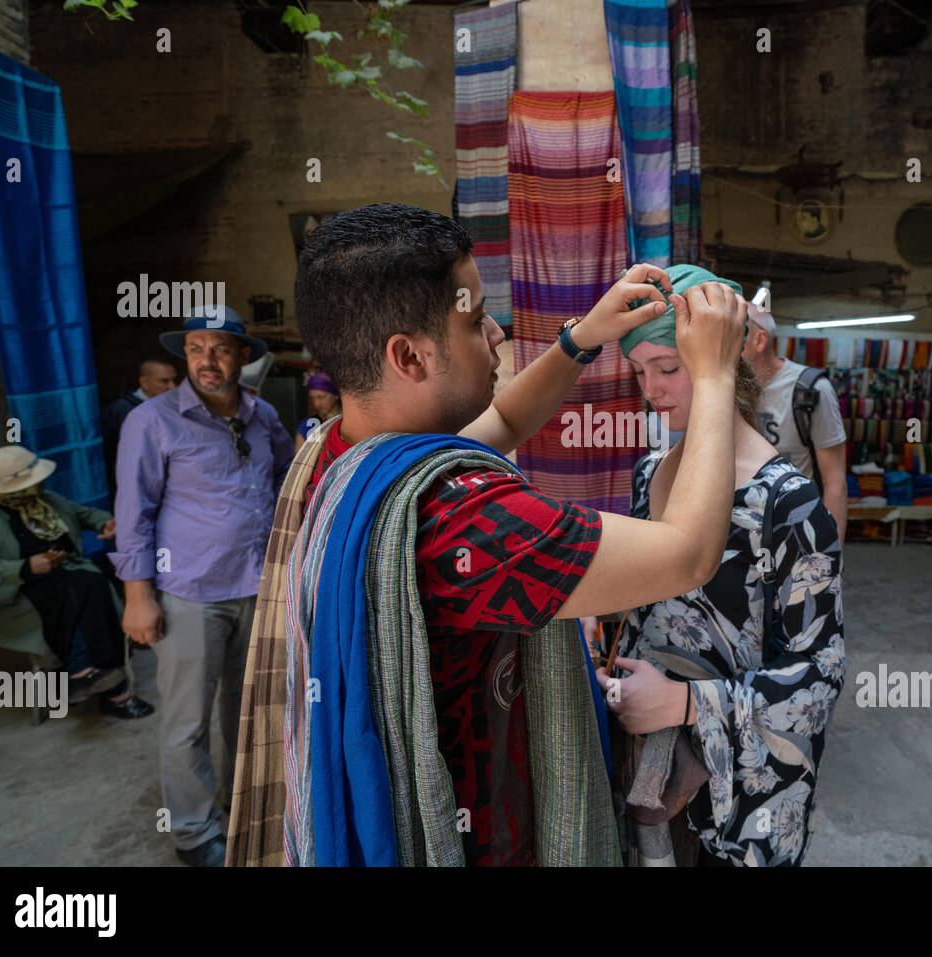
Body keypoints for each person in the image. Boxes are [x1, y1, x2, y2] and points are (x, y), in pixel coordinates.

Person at [227, 202, 748, 867]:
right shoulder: (460, 517)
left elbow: (502, 420)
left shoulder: (345, 453)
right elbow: (689, 554)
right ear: (409, 355)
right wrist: (715, 374)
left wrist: (582, 338)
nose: (497, 333)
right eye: (474, 319)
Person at [597, 264, 846, 867]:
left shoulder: (788, 504)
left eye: (668, 368)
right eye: (639, 372)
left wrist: (686, 704)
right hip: (646, 764)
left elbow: (820, 675)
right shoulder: (650, 473)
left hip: (738, 800)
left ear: (723, 361)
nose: (651, 390)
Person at [111, 305, 294, 868]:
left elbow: (287, 483)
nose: (206, 360)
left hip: (257, 588)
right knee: (187, 720)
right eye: (195, 348)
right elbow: (133, 511)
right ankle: (194, 833)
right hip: (190, 591)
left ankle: (243, 809)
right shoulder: (152, 421)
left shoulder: (264, 416)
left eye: (220, 348)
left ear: (243, 356)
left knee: (249, 711)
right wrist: (138, 596)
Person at [0, 445, 152, 717]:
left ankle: (85, 674)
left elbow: (83, 514)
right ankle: (108, 688)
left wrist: (105, 523)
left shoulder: (46, 500)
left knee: (90, 584)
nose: (42, 482)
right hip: (9, 594)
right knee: (77, 593)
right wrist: (24, 567)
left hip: (65, 578)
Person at [742, 304, 848, 542]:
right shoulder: (724, 387)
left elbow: (834, 481)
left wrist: (832, 552)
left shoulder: (811, 391)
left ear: (759, 340)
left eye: (736, 333)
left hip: (795, 530)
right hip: (741, 532)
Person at [100, 359, 178, 497]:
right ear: (144, 383)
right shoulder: (123, 412)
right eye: (164, 381)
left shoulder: (173, 407)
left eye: (174, 380)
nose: (172, 387)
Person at [293, 371, 340, 449]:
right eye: (312, 398)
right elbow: (300, 454)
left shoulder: (347, 423)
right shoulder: (308, 425)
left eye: (321, 397)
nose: (317, 403)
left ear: (336, 395)